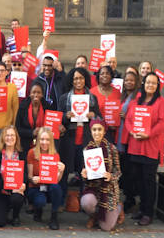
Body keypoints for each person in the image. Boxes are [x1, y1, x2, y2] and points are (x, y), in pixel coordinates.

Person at [124, 72, 164, 226]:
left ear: (158, 86)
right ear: (143, 83)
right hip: (135, 146)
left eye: (154, 83)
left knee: (148, 181)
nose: (150, 85)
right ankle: (141, 209)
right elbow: (129, 119)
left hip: (150, 147)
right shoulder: (137, 100)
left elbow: (163, 123)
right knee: (137, 180)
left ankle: (148, 212)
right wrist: (131, 131)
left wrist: (148, 134)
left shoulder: (161, 102)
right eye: (148, 82)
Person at [58, 68, 100, 198]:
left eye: (81, 78)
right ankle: (62, 201)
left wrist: (94, 115)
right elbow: (58, 120)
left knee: (85, 173)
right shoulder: (64, 98)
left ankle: (84, 200)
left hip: (86, 140)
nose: (78, 81)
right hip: (69, 140)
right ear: (71, 80)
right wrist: (66, 116)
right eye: (75, 78)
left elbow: (99, 119)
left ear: (85, 79)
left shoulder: (92, 98)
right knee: (64, 173)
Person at [81, 119, 123, 231]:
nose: (97, 132)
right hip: (93, 188)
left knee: (106, 227)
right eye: (94, 130)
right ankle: (94, 216)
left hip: (108, 190)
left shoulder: (112, 149)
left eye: (100, 129)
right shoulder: (87, 150)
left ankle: (119, 208)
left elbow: (118, 172)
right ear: (91, 131)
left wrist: (111, 176)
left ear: (104, 131)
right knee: (87, 202)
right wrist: (84, 175)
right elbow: (86, 175)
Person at [26, 127, 65, 230]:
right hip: (36, 187)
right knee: (40, 201)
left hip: (49, 187)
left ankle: (54, 216)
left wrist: (61, 171)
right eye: (42, 139)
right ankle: (37, 209)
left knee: (56, 188)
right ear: (38, 140)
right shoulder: (31, 153)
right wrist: (33, 179)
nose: (44, 142)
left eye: (47, 140)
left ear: (51, 141)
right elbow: (29, 176)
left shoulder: (55, 155)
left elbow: (56, 180)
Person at [0, 126, 27, 227]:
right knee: (0, 222)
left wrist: (23, 184)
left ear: (16, 138)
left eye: (12, 135)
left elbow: (24, 172)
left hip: (17, 191)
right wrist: (8, 188)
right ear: (3, 137)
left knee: (17, 198)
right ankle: (5, 209)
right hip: (2, 191)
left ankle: (15, 216)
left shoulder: (21, 153)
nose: (9, 138)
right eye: (7, 135)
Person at [116, 70, 140, 212]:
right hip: (120, 135)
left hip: (130, 137)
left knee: (130, 171)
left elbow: (139, 115)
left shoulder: (137, 96)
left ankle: (130, 199)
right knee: (124, 169)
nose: (129, 82)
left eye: (131, 80)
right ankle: (126, 197)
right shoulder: (123, 96)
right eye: (126, 80)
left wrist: (127, 116)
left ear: (136, 82)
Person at [16, 81, 51, 157]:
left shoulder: (48, 107)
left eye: (39, 92)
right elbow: (17, 129)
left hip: (43, 145)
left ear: (42, 94)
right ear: (30, 94)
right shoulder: (22, 107)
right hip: (25, 145)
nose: (36, 95)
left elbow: (52, 126)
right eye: (33, 92)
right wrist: (31, 132)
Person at [90, 65, 122, 141]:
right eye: (102, 73)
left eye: (107, 73)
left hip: (112, 132)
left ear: (111, 76)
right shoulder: (92, 92)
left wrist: (120, 115)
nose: (105, 75)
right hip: (96, 133)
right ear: (98, 76)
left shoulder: (117, 92)